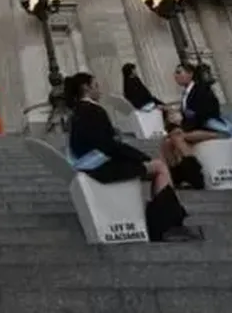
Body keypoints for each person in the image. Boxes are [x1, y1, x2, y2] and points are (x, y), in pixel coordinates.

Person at [64, 72, 202, 242]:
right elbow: (110, 146)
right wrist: (140, 157)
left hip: (89, 165)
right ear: (86, 88)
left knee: (154, 166)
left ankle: (165, 220)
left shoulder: (77, 112)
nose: (99, 91)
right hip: (103, 168)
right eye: (96, 86)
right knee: (159, 167)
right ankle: (168, 225)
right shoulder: (94, 110)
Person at [173, 62, 227, 145]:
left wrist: (184, 125)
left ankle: (191, 158)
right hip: (194, 127)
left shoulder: (201, 90)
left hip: (207, 127)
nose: (175, 76)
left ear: (190, 74)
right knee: (168, 141)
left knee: (178, 139)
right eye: (175, 73)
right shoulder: (186, 93)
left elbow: (204, 112)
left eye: (179, 72)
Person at [160, 108, 206, 189]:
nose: (171, 116)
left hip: (205, 128)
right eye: (170, 115)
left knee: (177, 139)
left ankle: (194, 177)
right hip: (184, 129)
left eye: (172, 114)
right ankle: (178, 179)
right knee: (168, 143)